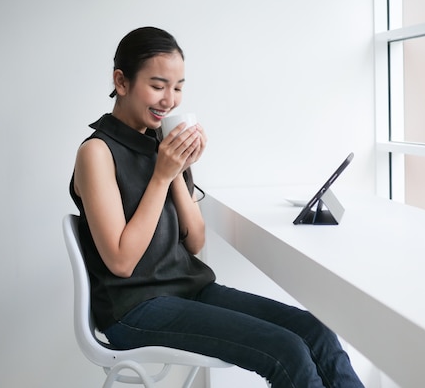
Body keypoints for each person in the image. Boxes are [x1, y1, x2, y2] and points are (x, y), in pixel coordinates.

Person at [69, 26, 364, 388]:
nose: (170, 100)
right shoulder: (96, 153)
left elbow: (195, 242)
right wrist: (161, 176)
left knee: (315, 331)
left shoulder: (160, 146)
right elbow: (121, 260)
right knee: (286, 349)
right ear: (122, 81)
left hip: (190, 290)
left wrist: (176, 170)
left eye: (178, 88)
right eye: (158, 86)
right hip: (134, 308)